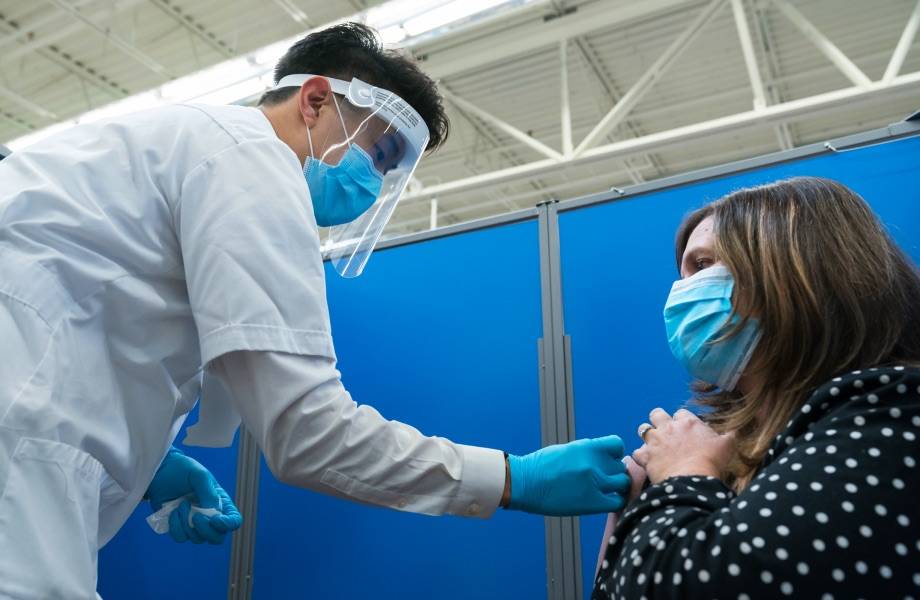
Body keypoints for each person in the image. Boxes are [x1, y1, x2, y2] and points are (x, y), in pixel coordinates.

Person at [0, 23, 630, 599]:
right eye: (377, 152)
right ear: (316, 100)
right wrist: (512, 478)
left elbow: (86, 302)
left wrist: (152, 465)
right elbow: (308, 434)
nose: (371, 183)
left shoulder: (171, 144)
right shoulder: (250, 160)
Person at [593, 177, 920, 599]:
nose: (681, 293)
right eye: (683, 275)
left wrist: (682, 477)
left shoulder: (893, 414)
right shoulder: (744, 451)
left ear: (799, 269)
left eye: (703, 265)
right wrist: (635, 503)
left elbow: (704, 587)